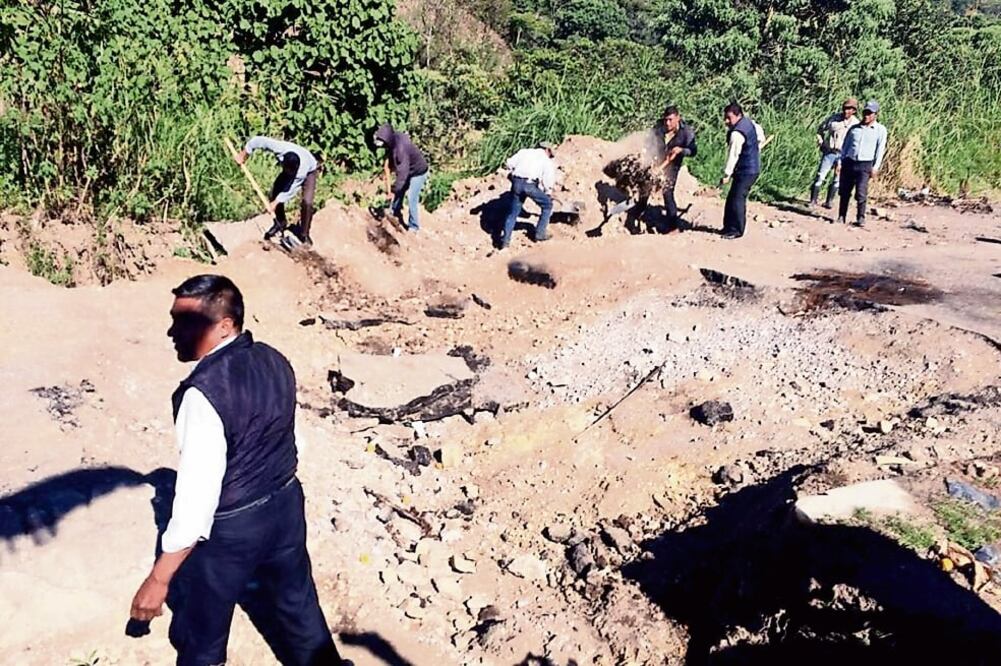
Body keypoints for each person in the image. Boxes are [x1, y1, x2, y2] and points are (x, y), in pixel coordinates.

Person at [129, 275, 346, 666]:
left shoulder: (202, 393)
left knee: (202, 632)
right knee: (299, 606)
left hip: (232, 529)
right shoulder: (274, 358)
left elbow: (196, 502)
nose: (172, 331)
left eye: (186, 322)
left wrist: (159, 579)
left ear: (225, 325)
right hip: (285, 504)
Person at [236, 137, 319, 245]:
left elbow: (290, 191)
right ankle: (280, 222)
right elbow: (256, 141)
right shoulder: (279, 148)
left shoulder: (301, 172)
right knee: (276, 190)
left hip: (310, 170)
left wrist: (274, 203)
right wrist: (244, 154)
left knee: (307, 202)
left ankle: (304, 235)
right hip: (290, 167)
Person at [838, 100, 888, 227]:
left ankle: (860, 218)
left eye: (870, 113)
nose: (866, 116)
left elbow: (880, 150)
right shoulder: (854, 129)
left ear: (875, 114)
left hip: (865, 164)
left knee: (861, 192)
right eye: (865, 112)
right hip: (849, 162)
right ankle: (841, 216)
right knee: (844, 191)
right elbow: (845, 146)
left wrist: (875, 167)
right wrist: (840, 161)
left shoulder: (880, 130)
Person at [719, 103, 764, 239]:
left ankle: (736, 230)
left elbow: (733, 156)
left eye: (729, 118)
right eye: (725, 118)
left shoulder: (737, 134)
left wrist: (727, 174)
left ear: (738, 116)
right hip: (748, 168)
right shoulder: (750, 123)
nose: (726, 121)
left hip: (747, 171)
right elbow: (761, 137)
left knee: (738, 199)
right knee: (732, 198)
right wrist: (756, 148)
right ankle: (728, 227)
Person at [500, 141, 557, 248]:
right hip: (530, 185)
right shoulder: (546, 160)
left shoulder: (524, 152)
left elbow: (508, 163)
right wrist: (548, 192)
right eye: (550, 153)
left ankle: (505, 242)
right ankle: (540, 233)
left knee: (513, 213)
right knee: (547, 205)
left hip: (516, 183)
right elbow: (548, 180)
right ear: (547, 150)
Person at [374, 123, 429, 231]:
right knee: (399, 190)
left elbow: (402, 176)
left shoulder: (401, 150)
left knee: (411, 197)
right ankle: (394, 212)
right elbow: (388, 164)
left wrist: (393, 191)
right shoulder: (393, 139)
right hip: (409, 169)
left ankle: (414, 227)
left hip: (419, 172)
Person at [654, 105, 698, 230]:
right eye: (666, 120)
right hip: (657, 160)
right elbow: (649, 140)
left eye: (670, 120)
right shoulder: (659, 127)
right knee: (646, 186)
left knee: (667, 191)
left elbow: (693, 151)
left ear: (678, 118)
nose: (667, 123)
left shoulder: (686, 132)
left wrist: (681, 150)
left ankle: (673, 226)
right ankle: (637, 212)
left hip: (673, 165)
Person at [810, 97, 859, 208]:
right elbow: (820, 130)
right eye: (845, 108)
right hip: (830, 152)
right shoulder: (833, 119)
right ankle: (813, 201)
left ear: (854, 111)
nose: (846, 111)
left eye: (850, 109)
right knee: (820, 176)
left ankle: (829, 202)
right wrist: (821, 142)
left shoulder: (856, 124)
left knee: (837, 179)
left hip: (844, 155)